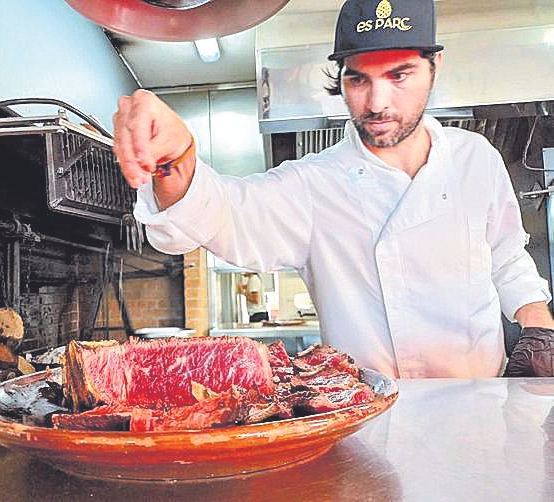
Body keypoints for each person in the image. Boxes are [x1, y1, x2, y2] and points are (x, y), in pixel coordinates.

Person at [112, 0, 554, 378]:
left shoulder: (475, 158)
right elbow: (220, 214)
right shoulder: (312, 184)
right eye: (358, 79)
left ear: (435, 66)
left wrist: (539, 330)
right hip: (370, 420)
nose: (377, 103)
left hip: (480, 404)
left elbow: (506, 255)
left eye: (399, 76)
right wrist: (175, 158)